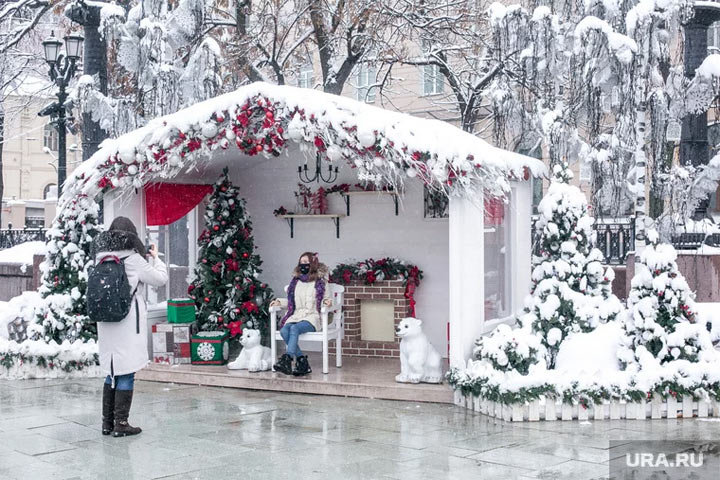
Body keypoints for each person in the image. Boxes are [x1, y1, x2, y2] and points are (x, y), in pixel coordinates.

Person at [94, 217, 168, 437]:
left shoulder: (100, 258)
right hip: (126, 321)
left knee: (112, 371)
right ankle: (121, 423)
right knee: (127, 371)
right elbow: (160, 279)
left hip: (106, 321)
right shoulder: (134, 259)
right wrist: (156, 259)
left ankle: (107, 423)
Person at [270, 252, 332, 376]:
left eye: (306, 262)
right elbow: (291, 302)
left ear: (313, 264)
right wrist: (279, 302)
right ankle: (302, 362)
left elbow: (326, 300)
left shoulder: (321, 282)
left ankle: (287, 359)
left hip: (312, 317)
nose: (303, 265)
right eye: (301, 262)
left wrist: (327, 302)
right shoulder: (296, 282)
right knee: (284, 330)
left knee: (294, 328)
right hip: (296, 315)